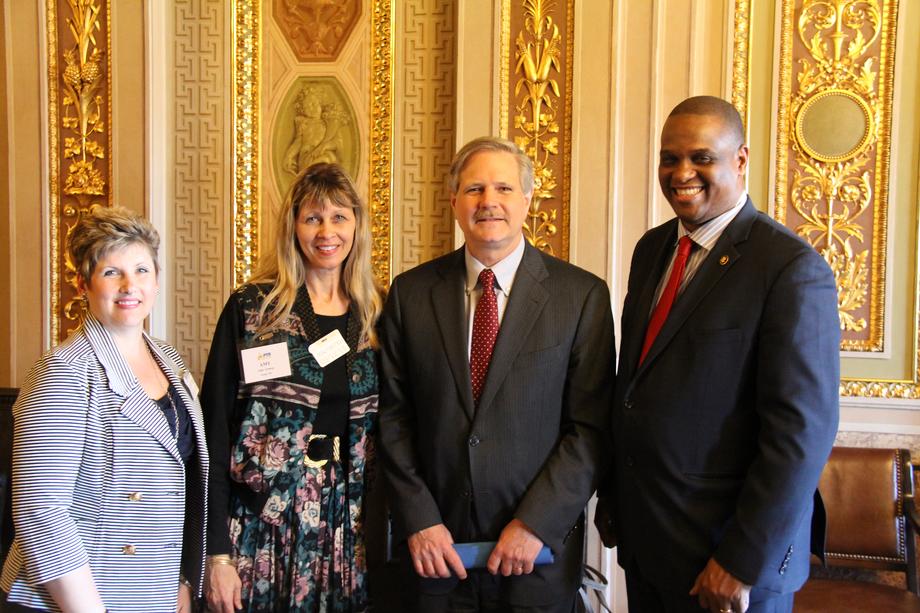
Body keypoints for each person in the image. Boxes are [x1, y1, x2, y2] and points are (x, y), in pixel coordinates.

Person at [595, 96, 839, 613]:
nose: (682, 172)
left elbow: (800, 433)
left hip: (728, 568)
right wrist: (615, 502)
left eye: (702, 157)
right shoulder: (652, 249)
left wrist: (741, 561)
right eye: (669, 158)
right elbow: (634, 387)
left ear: (741, 160)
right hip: (650, 547)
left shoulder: (790, 267)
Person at [378, 136, 615, 612]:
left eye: (504, 188)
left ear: (528, 199)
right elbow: (392, 417)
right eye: (475, 189)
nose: (489, 202)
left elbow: (589, 429)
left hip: (536, 558)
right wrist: (420, 520)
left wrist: (534, 524)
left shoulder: (580, 296)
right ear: (453, 202)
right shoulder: (410, 294)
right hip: (436, 556)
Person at [0, 206, 208, 612]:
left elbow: (176, 488)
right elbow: (41, 512)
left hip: (150, 589)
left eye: (142, 270)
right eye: (112, 272)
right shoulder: (63, 371)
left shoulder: (168, 358)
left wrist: (178, 581)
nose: (130, 285)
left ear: (157, 280)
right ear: (83, 284)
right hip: (76, 597)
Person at [201, 162, 383, 612]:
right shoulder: (253, 310)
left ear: (356, 226)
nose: (327, 231)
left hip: (347, 525)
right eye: (313, 218)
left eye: (339, 216)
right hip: (261, 523)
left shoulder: (379, 316)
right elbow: (212, 432)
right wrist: (216, 553)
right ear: (294, 227)